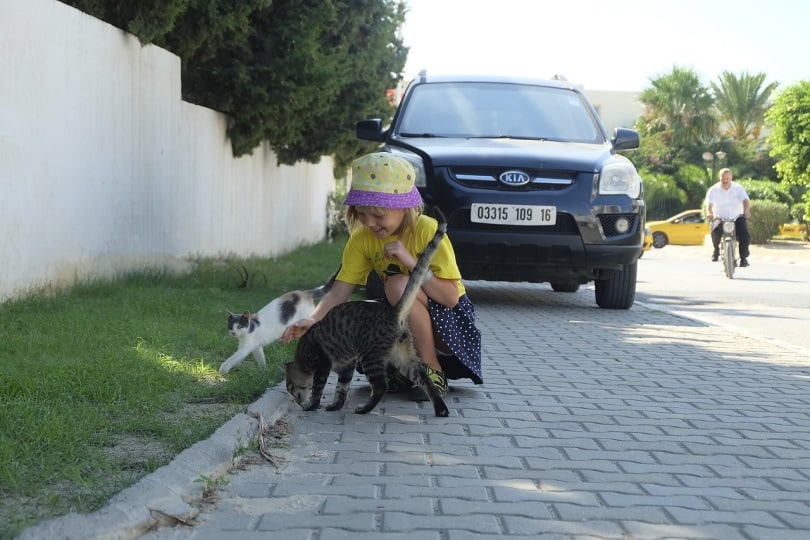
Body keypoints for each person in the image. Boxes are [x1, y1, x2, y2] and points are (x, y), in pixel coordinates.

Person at [280, 152, 483, 399]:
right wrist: (312, 321)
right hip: (405, 319)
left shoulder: (426, 229)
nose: (369, 222)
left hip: (450, 324)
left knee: (397, 285)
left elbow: (451, 298)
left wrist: (411, 261)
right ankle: (403, 371)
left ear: (404, 208)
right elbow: (338, 292)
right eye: (362, 213)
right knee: (369, 310)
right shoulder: (362, 239)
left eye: (378, 215)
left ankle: (432, 369)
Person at [705, 167, 752, 266]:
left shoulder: (738, 188)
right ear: (720, 178)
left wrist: (746, 210)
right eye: (723, 178)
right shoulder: (714, 190)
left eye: (727, 178)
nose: (725, 181)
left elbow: (745, 200)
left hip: (736, 217)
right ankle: (716, 250)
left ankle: (743, 258)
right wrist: (709, 212)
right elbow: (709, 204)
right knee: (715, 231)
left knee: (744, 234)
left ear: (731, 178)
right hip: (720, 218)